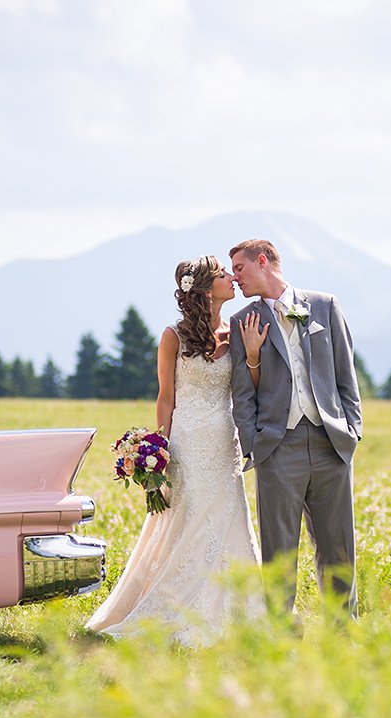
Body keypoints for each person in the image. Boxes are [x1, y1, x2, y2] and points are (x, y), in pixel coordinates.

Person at [86, 255, 267, 645]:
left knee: (230, 519)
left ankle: (239, 608)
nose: (231, 279)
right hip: (188, 442)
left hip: (225, 441)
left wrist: (252, 356)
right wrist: (159, 451)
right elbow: (165, 398)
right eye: (223, 275)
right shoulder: (173, 336)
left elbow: (249, 387)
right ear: (204, 288)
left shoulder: (236, 330)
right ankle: (179, 609)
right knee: (192, 519)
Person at [228, 239, 363, 619]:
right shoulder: (242, 322)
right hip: (277, 447)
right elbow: (242, 393)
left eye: (239, 268)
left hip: (330, 444)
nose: (235, 278)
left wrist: (351, 431)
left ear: (263, 261)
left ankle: (343, 634)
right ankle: (281, 636)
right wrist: (255, 443)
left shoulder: (324, 306)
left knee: (338, 548)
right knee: (279, 552)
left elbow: (346, 377)